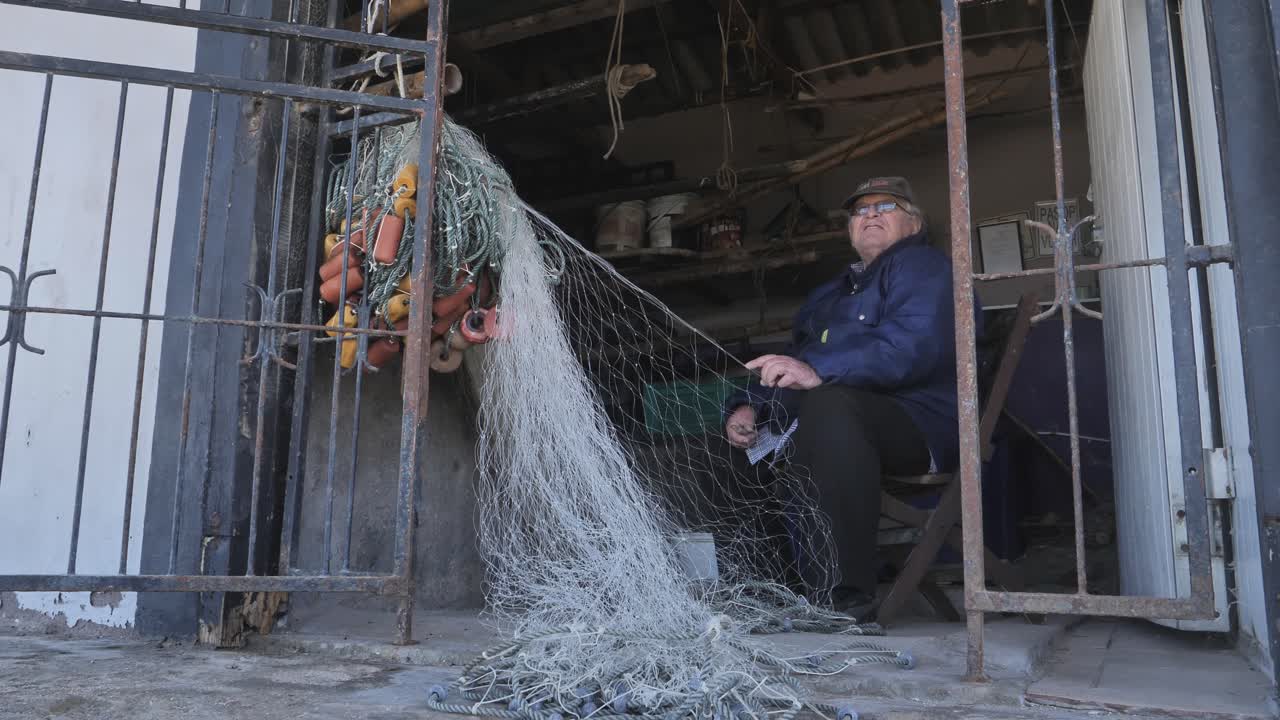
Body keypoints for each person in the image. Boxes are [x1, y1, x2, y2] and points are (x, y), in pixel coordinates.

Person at [723, 176, 977, 618]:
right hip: (833, 425)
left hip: (918, 423)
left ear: (914, 224)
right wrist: (748, 407)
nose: (871, 215)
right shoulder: (830, 293)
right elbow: (794, 359)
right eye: (861, 211)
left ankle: (843, 599)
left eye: (887, 206)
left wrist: (819, 372)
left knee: (830, 405)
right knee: (733, 442)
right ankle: (769, 589)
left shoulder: (925, 268)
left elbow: (912, 348)